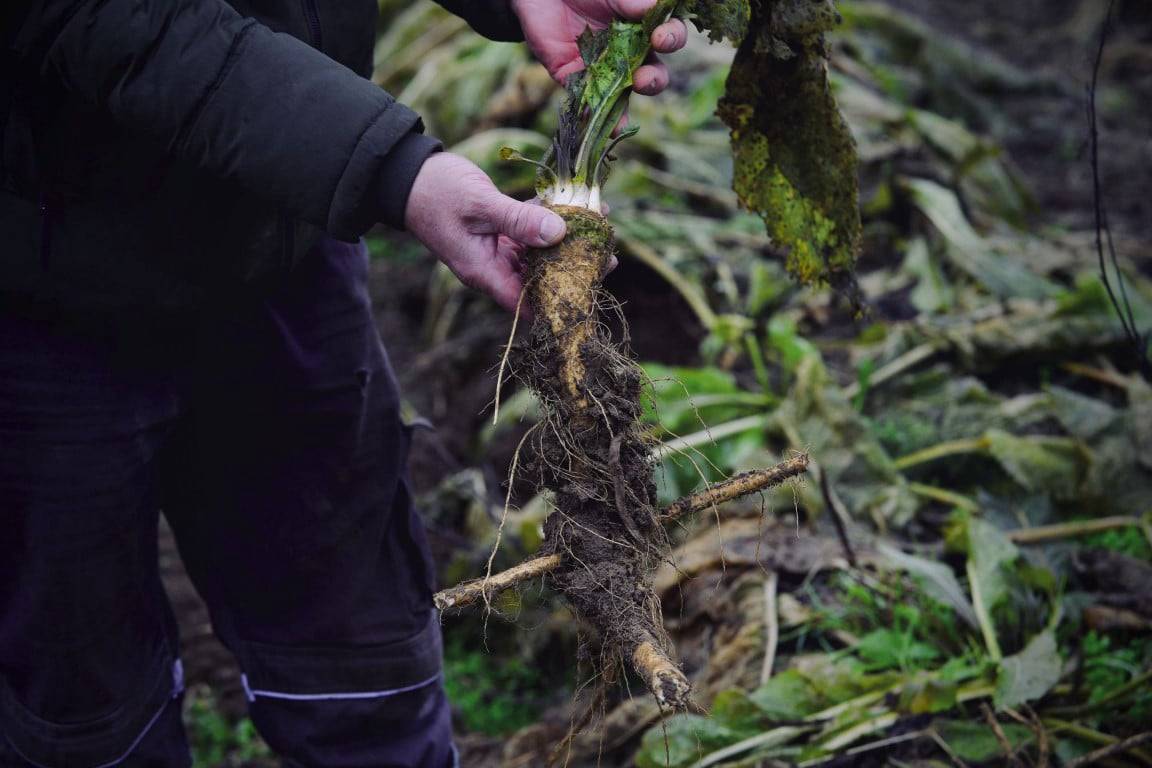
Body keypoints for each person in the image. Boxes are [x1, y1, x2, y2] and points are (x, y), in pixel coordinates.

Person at [0, 0, 685, 765]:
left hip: (280, 236)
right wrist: (395, 170)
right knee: (82, 693)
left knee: (360, 653)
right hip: (39, 290)